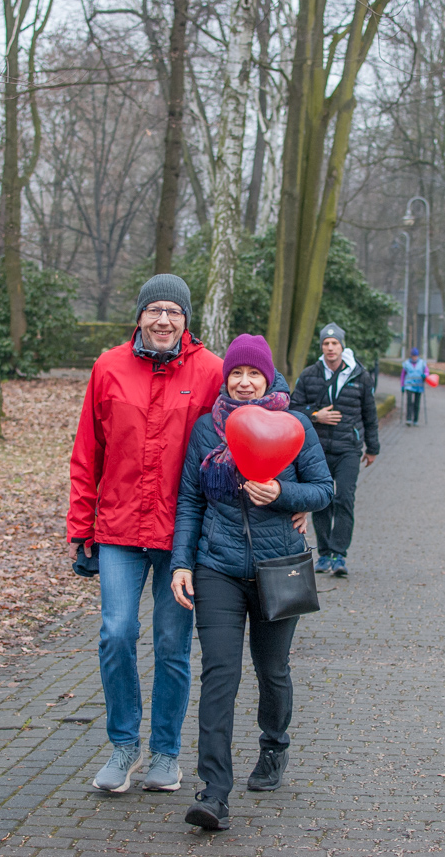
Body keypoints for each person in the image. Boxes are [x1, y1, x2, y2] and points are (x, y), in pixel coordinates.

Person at [66, 274, 222, 794]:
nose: (163, 320)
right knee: (116, 633)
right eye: (154, 309)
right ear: (138, 316)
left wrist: (288, 489)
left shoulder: (212, 372)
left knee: (172, 644)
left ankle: (166, 753)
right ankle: (123, 745)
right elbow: (88, 452)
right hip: (118, 528)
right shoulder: (108, 367)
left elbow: (257, 412)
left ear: (186, 320)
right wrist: (80, 526)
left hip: (182, 535)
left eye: (174, 311)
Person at [170, 334, 333, 831]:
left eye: (253, 374)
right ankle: (213, 793)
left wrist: (283, 493)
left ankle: (274, 746)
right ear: (227, 378)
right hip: (216, 567)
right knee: (220, 674)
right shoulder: (205, 429)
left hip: (277, 569)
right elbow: (191, 502)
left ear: (268, 377)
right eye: (236, 373)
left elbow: (324, 491)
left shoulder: (296, 425)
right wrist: (182, 562)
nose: (244, 382)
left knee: (272, 670)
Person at [289, 322, 380, 578]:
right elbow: (293, 408)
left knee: (344, 499)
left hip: (348, 449)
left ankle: (340, 554)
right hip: (317, 449)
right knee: (322, 501)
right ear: (322, 347)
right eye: (326, 344)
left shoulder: (359, 375)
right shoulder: (310, 374)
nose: (330, 348)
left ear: (342, 346)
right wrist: (316, 416)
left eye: (334, 343)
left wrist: (373, 448)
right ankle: (325, 554)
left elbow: (370, 414)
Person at [400, 347, 428, 426]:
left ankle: (415, 420)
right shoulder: (406, 364)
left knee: (417, 403)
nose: (414, 358)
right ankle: (408, 419)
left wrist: (425, 376)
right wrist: (402, 385)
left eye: (416, 356)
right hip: (409, 386)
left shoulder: (422, 363)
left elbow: (427, 372)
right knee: (409, 403)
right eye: (413, 356)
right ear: (411, 356)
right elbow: (402, 375)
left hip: (419, 386)